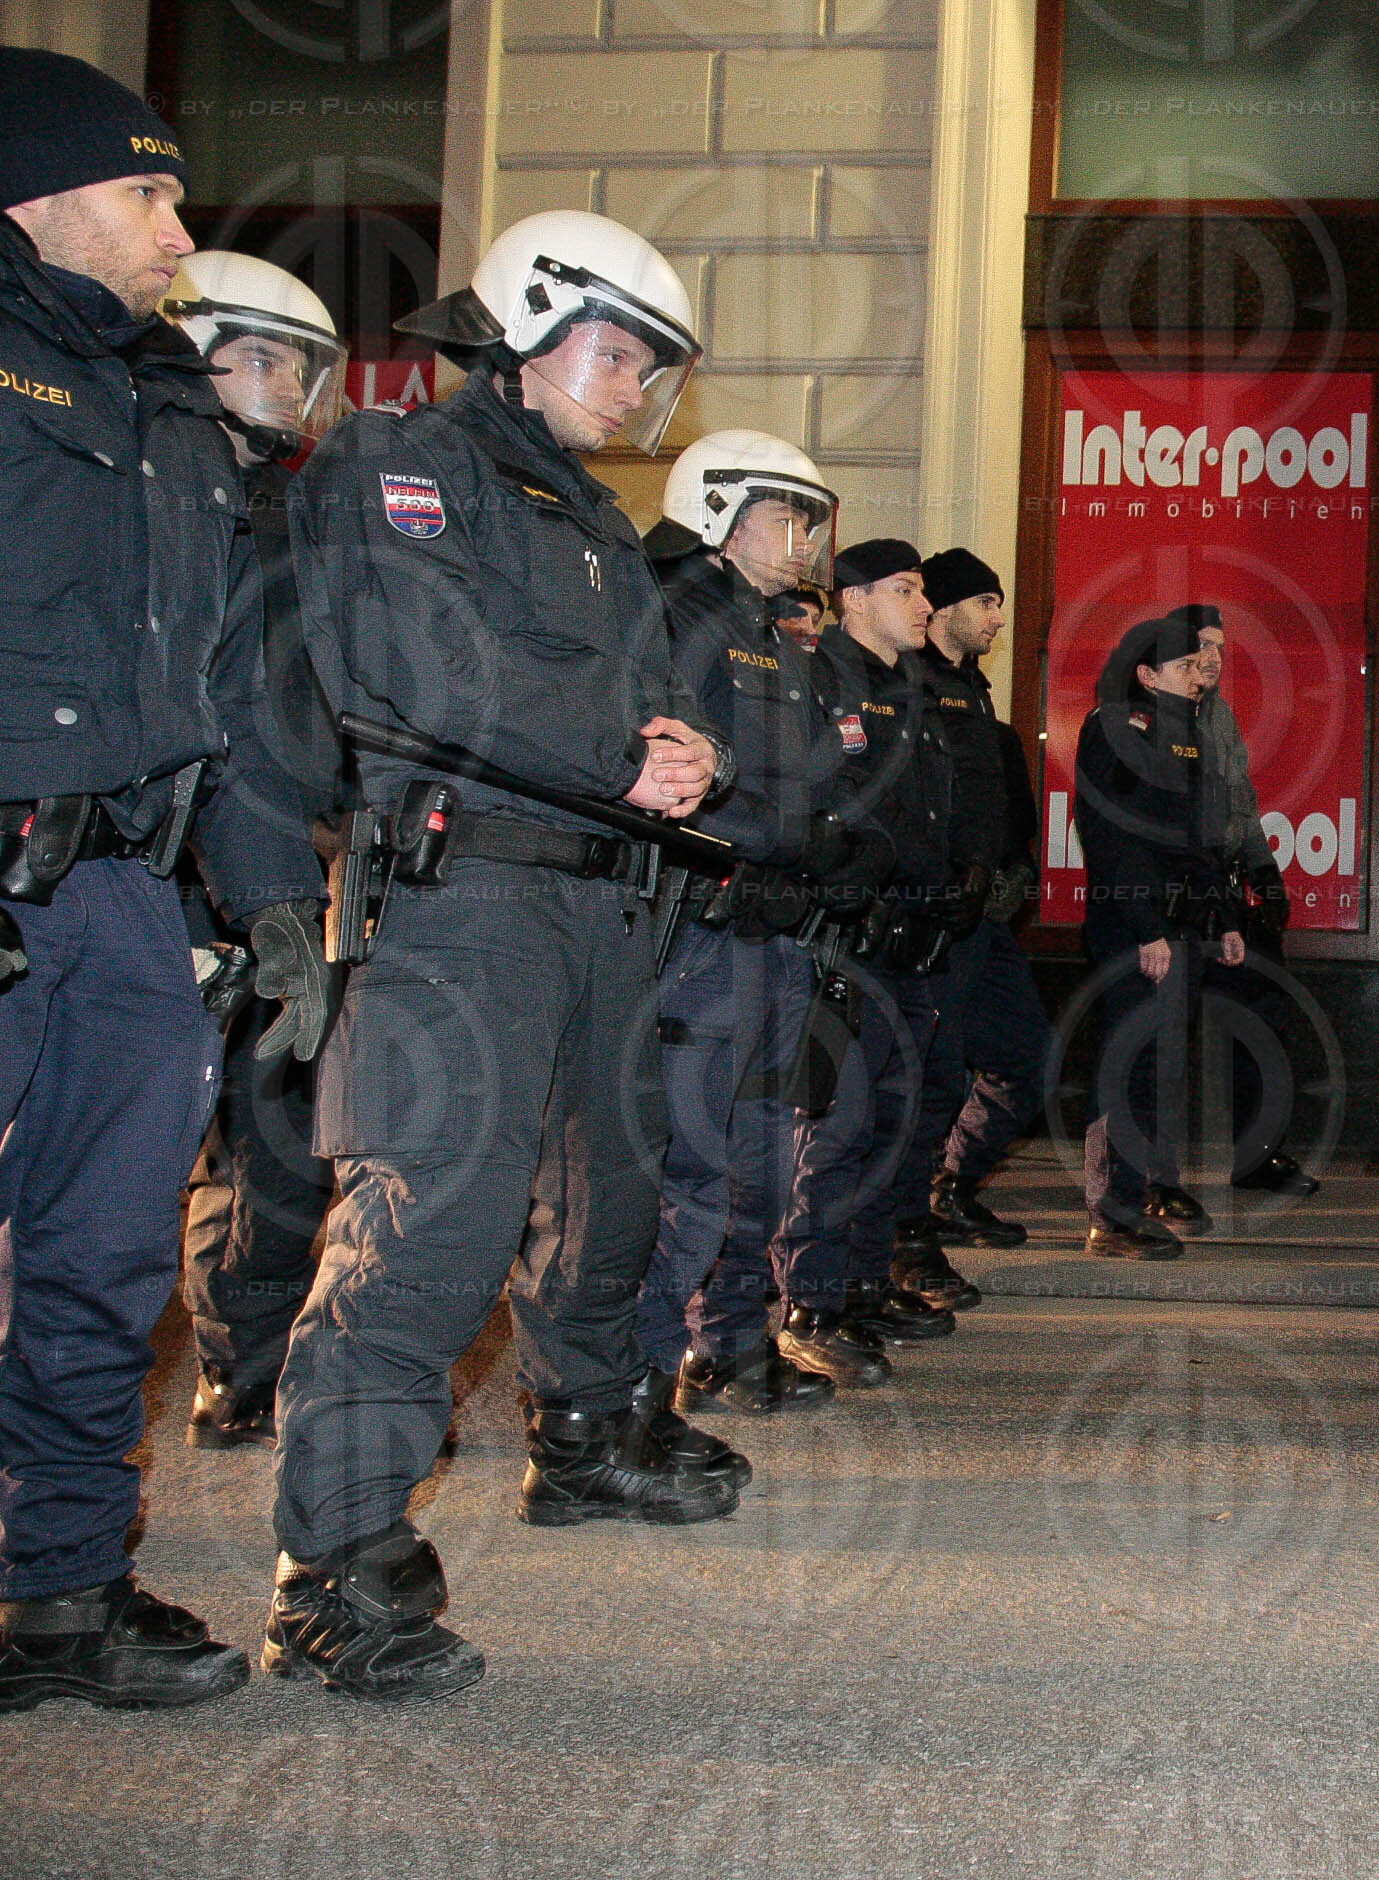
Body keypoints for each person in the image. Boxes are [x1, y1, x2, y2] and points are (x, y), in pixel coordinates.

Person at [271, 210, 743, 1701]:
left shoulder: (597, 520)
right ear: (526, 334)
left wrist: (692, 755)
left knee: (613, 1190)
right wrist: (628, 751)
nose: (633, 394)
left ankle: (584, 1437)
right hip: (466, 899)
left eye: (653, 370)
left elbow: (659, 704)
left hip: (600, 905)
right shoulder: (401, 464)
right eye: (617, 356)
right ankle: (333, 1570)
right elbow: (421, 668)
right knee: (430, 1230)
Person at [0, 51, 329, 1715]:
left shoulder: (172, 406)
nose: (178, 229)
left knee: (107, 1262)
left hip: (125, 900)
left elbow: (230, 694)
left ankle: (63, 1588)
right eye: (147, 193)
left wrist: (272, 900)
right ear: (34, 198)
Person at [637, 431, 893, 1418]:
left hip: (776, 928)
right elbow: (672, 772)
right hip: (705, 926)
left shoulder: (770, 629)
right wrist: (771, 849)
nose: (802, 539)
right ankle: (636, 1383)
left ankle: (729, 1344)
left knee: (755, 1158)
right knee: (692, 1164)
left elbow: (809, 780)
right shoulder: (673, 614)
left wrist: (830, 853)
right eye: (786, 515)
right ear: (720, 511)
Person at [160, 250, 350, 1449]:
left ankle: (248, 1364)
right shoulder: (134, 487)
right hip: (148, 863)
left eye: (303, 364)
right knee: (137, 1143)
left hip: (284, 854)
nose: (291, 385)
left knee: (280, 1139)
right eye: (269, 356)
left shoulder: (307, 510)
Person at [778, 539, 959, 1384]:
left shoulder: (911, 687)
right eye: (905, 589)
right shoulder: (825, 680)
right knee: (836, 1126)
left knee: (895, 1120)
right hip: (847, 937)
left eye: (923, 590)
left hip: (913, 938)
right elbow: (822, 803)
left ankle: (858, 1281)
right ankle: (809, 1302)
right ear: (853, 600)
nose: (923, 605)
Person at [895, 544, 1056, 1298]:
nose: (998, 616)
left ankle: (949, 1188)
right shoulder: (911, 680)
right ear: (947, 606)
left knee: (1026, 1053)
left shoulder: (972, 689)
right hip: (933, 918)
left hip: (983, 920)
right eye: (986, 602)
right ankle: (904, 1246)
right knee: (926, 1083)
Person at [1075, 609, 1246, 1258]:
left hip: (1184, 928)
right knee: (1129, 1064)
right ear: (1146, 673)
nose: (1198, 676)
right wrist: (1146, 926)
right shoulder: (1116, 727)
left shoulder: (1188, 733)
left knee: (1162, 1066)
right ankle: (1110, 1217)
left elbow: (1203, 840)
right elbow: (1111, 835)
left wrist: (1224, 918)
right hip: (1136, 929)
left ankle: (1143, 1192)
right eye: (1182, 666)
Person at [1191, 607, 1323, 1201]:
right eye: (1202, 645)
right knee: (1162, 1035)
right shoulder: (1142, 719)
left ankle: (1255, 1155)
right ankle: (1139, 1175)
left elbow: (1242, 804)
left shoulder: (1219, 716)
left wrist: (1266, 875)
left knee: (1261, 1022)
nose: (1215, 657)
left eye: (1221, 647)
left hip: (1225, 890)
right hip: (1177, 899)